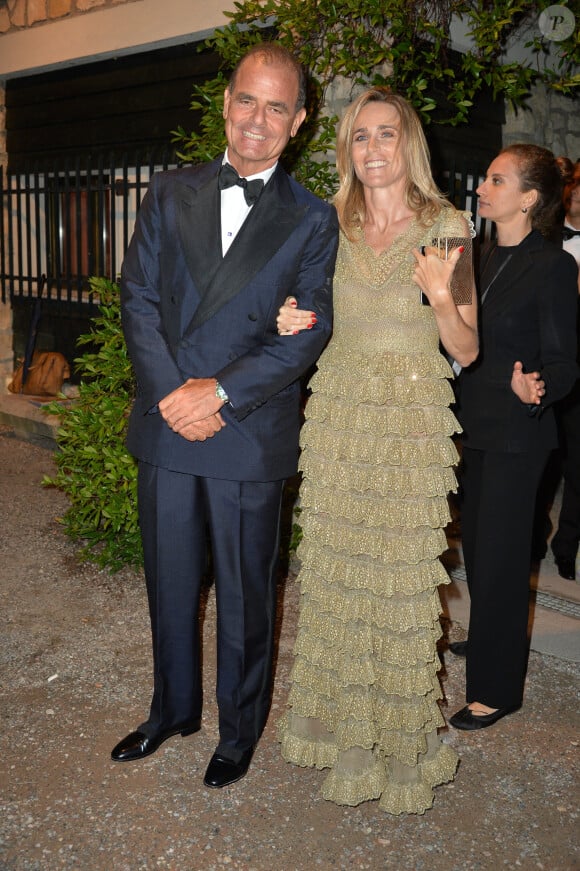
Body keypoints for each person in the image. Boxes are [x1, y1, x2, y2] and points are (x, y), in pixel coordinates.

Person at [111, 42, 339, 789]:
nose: (257, 120)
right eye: (248, 99)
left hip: (246, 429)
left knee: (245, 595)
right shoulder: (168, 190)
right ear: (225, 102)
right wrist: (176, 392)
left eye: (278, 107)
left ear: (299, 121)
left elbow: (308, 331)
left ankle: (238, 731)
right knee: (170, 581)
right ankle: (171, 708)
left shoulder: (311, 220)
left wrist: (218, 393)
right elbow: (138, 296)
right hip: (169, 418)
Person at [276, 86, 478, 814]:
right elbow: (310, 320)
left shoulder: (445, 224)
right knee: (338, 575)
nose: (372, 150)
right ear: (346, 149)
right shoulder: (328, 222)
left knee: (397, 581)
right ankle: (343, 735)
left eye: (385, 135)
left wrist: (443, 294)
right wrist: (293, 316)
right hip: (339, 418)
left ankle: (399, 747)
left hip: (412, 425)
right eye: (359, 137)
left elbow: (467, 346)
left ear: (408, 143)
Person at [446, 145, 579, 730]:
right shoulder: (471, 255)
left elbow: (566, 362)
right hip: (466, 425)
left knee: (500, 561)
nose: (483, 187)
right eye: (486, 176)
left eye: (497, 180)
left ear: (528, 198)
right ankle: (489, 641)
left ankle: (497, 688)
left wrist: (538, 387)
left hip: (517, 434)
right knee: (477, 552)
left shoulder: (552, 266)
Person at [550, 159, 580, 579]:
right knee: (543, 457)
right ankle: (534, 537)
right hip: (547, 359)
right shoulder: (546, 240)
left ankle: (567, 543)